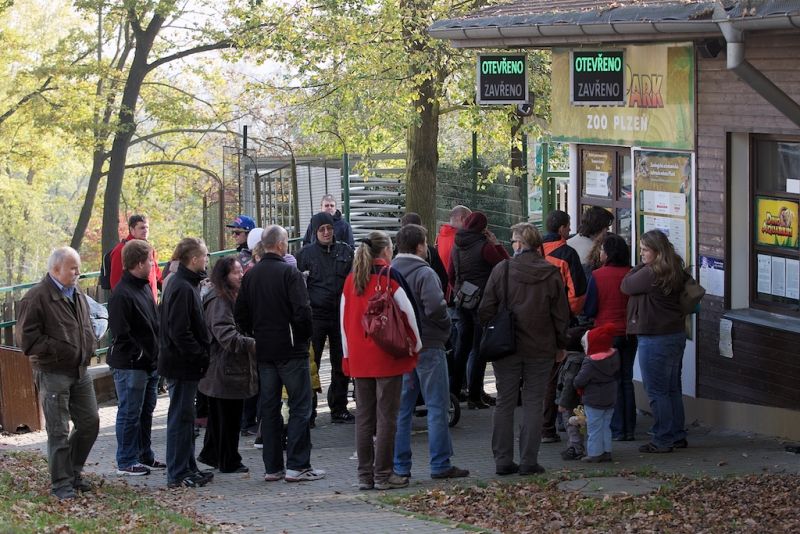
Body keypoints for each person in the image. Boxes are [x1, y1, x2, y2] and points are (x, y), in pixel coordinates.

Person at [478, 223, 569, 476]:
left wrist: (494, 327)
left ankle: (503, 460)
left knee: (504, 403)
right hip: (541, 347)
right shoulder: (551, 274)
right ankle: (529, 460)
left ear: (519, 244)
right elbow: (561, 315)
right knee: (533, 403)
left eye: (513, 241)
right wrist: (561, 345)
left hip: (506, 347)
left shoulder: (503, 269)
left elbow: (485, 308)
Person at [235, 225, 325, 482]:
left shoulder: (251, 276)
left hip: (264, 350)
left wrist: (255, 332)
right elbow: (303, 311)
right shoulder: (290, 273)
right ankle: (298, 464)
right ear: (282, 244)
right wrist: (303, 338)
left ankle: (272, 467)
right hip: (291, 349)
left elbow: (240, 313)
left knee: (270, 407)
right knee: (299, 406)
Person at [16, 247, 100, 499]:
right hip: (53, 372)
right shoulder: (36, 297)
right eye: (72, 268)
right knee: (58, 429)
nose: (78, 272)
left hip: (80, 369)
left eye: (78, 267)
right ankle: (61, 483)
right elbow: (26, 340)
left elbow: (85, 327)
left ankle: (72, 472)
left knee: (90, 423)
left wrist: (89, 346)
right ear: (55, 270)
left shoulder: (77, 294)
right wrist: (58, 350)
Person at [340, 231, 421, 490]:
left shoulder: (352, 280)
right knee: (387, 417)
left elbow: (343, 321)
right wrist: (416, 346)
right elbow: (409, 313)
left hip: (359, 357)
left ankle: (364, 476)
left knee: (364, 418)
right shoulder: (391, 276)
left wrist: (346, 356)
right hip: (387, 355)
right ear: (386, 250)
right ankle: (383, 474)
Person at [391, 224, 469, 480]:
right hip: (428, 344)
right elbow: (436, 306)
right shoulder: (424, 272)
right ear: (420, 246)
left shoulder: (390, 271)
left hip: (399, 348)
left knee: (402, 408)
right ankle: (440, 463)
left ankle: (400, 466)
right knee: (437, 405)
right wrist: (446, 326)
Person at [621, 229, 688, 454]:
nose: (641, 254)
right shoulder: (676, 268)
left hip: (655, 337)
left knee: (657, 391)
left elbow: (626, 285)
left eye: (644, 250)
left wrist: (640, 266)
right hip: (676, 334)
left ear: (657, 252)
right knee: (672, 389)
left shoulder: (651, 273)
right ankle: (677, 434)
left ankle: (662, 438)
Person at [158, 237, 213, 488]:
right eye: (204, 256)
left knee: (186, 418)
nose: (207, 260)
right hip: (181, 364)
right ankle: (178, 472)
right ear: (194, 260)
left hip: (185, 362)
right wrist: (199, 354)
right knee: (180, 418)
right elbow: (180, 331)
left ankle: (187, 466)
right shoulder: (181, 286)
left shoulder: (185, 284)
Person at [107, 239, 164, 476]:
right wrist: (140, 352)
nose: (152, 264)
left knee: (145, 411)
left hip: (149, 363)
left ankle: (144, 454)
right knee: (130, 411)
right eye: (150, 260)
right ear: (139, 263)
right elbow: (121, 332)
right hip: (131, 364)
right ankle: (126, 459)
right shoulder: (122, 293)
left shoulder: (142, 287)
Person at [197, 257, 257, 474]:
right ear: (224, 276)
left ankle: (213, 454)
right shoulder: (220, 300)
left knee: (220, 417)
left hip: (225, 368)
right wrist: (253, 344)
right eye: (235, 272)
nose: (240, 275)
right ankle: (228, 459)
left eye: (241, 271)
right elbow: (226, 334)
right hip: (224, 368)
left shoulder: (229, 296)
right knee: (228, 417)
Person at [295, 212, 355, 425]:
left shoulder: (346, 252)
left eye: (329, 228)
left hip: (340, 314)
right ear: (315, 231)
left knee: (341, 362)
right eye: (322, 229)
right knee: (312, 364)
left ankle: (338, 407)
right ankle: (308, 411)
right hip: (316, 316)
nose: (327, 232)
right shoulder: (304, 255)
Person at [448, 211, 509, 409]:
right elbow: (505, 265)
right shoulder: (484, 247)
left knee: (462, 347)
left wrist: (459, 290)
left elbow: (450, 274)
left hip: (461, 299)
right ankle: (475, 395)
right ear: (483, 228)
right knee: (479, 348)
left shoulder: (456, 244)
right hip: (481, 302)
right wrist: (496, 243)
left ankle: (453, 392)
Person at [584, 233, 637, 441]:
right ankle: (628, 428)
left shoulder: (598, 276)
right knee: (626, 379)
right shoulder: (632, 274)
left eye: (603, 250)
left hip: (606, 335)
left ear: (608, 253)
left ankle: (616, 428)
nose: (601, 253)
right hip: (629, 333)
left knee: (609, 381)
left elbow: (590, 308)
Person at [541, 210, 587, 443]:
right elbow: (577, 293)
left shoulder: (533, 251)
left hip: (530, 323)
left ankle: (537, 426)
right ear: (561, 229)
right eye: (568, 228)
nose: (570, 232)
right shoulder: (567, 254)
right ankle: (554, 425)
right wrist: (567, 314)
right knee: (558, 375)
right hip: (559, 323)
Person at [573, 324, 620, 463]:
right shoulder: (614, 357)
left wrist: (575, 383)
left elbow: (579, 381)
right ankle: (607, 451)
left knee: (594, 428)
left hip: (593, 399)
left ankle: (594, 453)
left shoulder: (590, 363)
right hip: (610, 397)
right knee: (606, 426)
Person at [109, 214, 163, 302]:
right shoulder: (121, 250)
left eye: (147, 228)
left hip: (150, 301)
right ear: (132, 229)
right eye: (142, 228)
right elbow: (115, 281)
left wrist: (168, 287)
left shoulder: (148, 248)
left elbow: (156, 273)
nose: (145, 231)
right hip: (133, 302)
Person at [567, 206, 615, 279]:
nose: (607, 229)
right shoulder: (596, 252)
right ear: (599, 227)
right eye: (606, 226)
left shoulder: (567, 242)